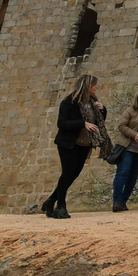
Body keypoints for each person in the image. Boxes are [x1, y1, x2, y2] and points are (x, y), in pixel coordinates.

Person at [44, 73, 107, 219]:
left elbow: (99, 121)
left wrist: (102, 110)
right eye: (94, 85)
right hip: (69, 143)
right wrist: (81, 123)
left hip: (85, 143)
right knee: (67, 173)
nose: (96, 87)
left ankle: (50, 201)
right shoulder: (69, 102)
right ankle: (61, 205)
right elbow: (62, 123)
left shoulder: (93, 102)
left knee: (74, 174)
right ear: (86, 86)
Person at [111, 88, 138, 211]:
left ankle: (123, 201)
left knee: (133, 176)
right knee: (123, 173)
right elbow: (121, 125)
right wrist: (134, 134)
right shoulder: (130, 110)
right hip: (128, 147)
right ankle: (117, 201)